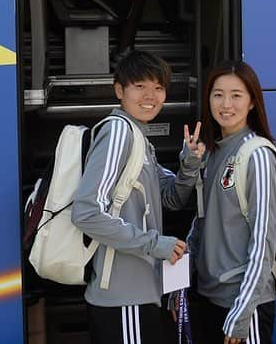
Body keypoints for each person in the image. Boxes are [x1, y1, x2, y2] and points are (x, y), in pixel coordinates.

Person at [71, 50, 205, 344]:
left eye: (158, 87)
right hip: (123, 296)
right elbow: (87, 212)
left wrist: (189, 164)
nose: (151, 95)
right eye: (140, 86)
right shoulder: (119, 132)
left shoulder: (138, 138)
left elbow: (170, 199)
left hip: (137, 294)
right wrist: (157, 244)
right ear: (120, 90)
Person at [188, 61, 276, 344]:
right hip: (209, 298)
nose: (225, 104)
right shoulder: (213, 152)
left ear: (252, 102)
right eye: (218, 94)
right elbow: (202, 225)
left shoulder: (258, 155)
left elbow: (263, 239)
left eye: (236, 95)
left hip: (242, 305)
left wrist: (241, 313)